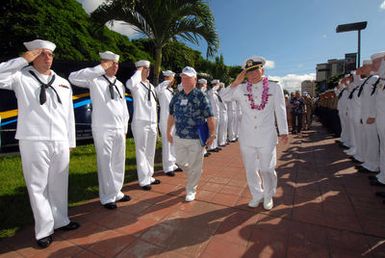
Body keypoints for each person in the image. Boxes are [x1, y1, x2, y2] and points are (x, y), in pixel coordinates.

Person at [0, 39, 79, 248]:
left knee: (59, 183)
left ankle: (61, 220)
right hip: (33, 139)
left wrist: (70, 140)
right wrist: (20, 60)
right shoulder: (19, 77)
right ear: (33, 56)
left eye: (50, 54)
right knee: (38, 186)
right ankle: (44, 230)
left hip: (60, 140)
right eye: (42, 54)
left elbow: (68, 114)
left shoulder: (63, 82)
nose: (47, 58)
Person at [221, 56, 288, 210]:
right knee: (250, 169)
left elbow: (280, 109)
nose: (252, 75)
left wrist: (283, 131)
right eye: (249, 72)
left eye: (255, 71)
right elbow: (223, 97)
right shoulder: (240, 88)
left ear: (262, 70)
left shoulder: (274, 87)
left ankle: (268, 195)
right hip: (247, 136)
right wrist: (236, 81)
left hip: (267, 136)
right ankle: (257, 194)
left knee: (267, 168)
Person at [69, 51, 131, 210]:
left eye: (116, 63)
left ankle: (117, 191)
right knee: (105, 162)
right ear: (103, 63)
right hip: (103, 128)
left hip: (119, 128)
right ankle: (107, 196)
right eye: (111, 63)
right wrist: (99, 68)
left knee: (118, 161)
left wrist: (124, 126)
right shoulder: (94, 80)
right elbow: (73, 77)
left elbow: (123, 107)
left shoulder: (119, 84)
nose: (115, 66)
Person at [167, 66, 216, 202]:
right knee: (180, 161)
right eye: (183, 77)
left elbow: (210, 116)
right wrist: (168, 132)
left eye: (188, 77)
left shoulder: (201, 96)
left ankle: (191, 189)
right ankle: (194, 173)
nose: (185, 80)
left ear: (194, 79)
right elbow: (171, 115)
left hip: (196, 138)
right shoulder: (177, 96)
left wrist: (212, 134)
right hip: (179, 136)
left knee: (194, 164)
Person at [126, 60, 160, 190]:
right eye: (145, 68)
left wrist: (155, 123)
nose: (148, 70)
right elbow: (129, 84)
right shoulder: (135, 84)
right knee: (141, 151)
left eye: (148, 68)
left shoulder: (151, 86)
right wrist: (138, 72)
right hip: (141, 122)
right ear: (139, 69)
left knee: (150, 151)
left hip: (152, 122)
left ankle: (149, 175)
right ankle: (143, 180)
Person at [155, 70, 179, 176]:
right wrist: (166, 82)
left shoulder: (171, 91)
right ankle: (167, 167)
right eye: (168, 78)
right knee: (167, 143)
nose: (171, 80)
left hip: (174, 120)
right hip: (165, 120)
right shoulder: (162, 90)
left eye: (171, 78)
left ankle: (173, 163)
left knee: (173, 143)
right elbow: (156, 91)